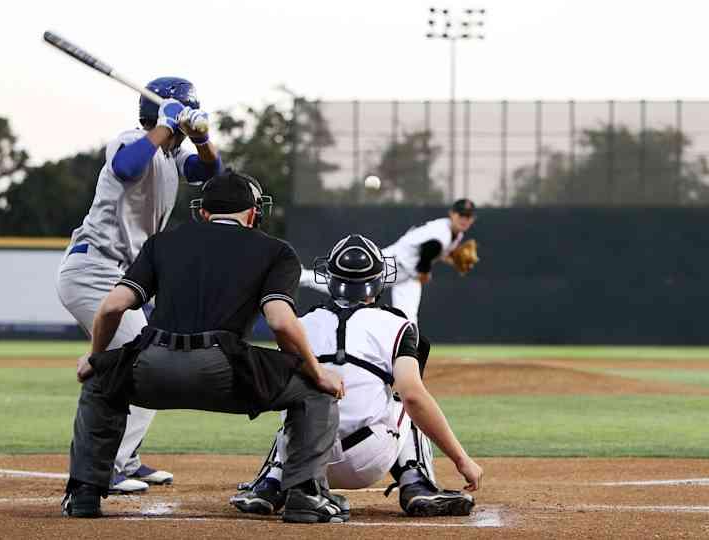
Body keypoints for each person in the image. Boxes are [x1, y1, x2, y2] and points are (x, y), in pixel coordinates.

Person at [61, 170, 351, 524]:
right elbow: (280, 321)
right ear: (253, 213)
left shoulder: (161, 243)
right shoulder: (276, 251)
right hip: (224, 371)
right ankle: (305, 493)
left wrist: (97, 358)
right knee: (313, 391)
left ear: (203, 212)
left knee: (99, 383)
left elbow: (111, 307)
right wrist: (315, 372)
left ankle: (84, 494)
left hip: (151, 366)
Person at [232, 234, 483, 517]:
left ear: (330, 279)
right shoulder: (397, 325)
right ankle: (417, 485)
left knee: (299, 404)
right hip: (368, 459)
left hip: (304, 465)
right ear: (377, 281)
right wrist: (462, 460)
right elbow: (414, 396)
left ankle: (270, 484)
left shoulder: (300, 326)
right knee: (404, 398)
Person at [55, 76, 221, 493]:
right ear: (164, 112)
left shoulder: (170, 155)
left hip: (123, 277)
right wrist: (164, 125)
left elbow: (211, 174)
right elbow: (126, 168)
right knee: (141, 362)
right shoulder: (130, 141)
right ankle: (106, 465)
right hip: (92, 272)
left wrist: (202, 140)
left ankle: (124, 460)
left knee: (152, 358)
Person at [300, 199, 477, 324]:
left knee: (408, 319)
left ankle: (407, 355)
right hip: (390, 264)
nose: (464, 219)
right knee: (347, 290)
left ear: (472, 219)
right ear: (452, 214)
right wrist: (425, 272)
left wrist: (449, 259)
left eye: (468, 216)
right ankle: (305, 275)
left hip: (407, 275)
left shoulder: (455, 234)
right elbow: (430, 248)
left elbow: (436, 250)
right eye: (461, 214)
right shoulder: (442, 233)